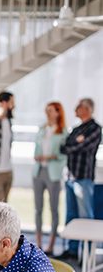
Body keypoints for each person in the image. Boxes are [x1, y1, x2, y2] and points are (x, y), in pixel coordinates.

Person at [57, 98, 102, 260]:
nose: (75, 108)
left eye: (79, 106)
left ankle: (88, 254)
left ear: (88, 109)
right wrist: (73, 144)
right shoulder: (76, 129)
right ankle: (73, 250)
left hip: (83, 177)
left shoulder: (95, 128)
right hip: (70, 177)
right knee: (71, 215)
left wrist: (73, 145)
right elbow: (64, 147)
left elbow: (81, 147)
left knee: (85, 217)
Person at [33, 102, 68, 255]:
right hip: (39, 171)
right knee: (38, 209)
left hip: (53, 173)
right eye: (46, 110)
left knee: (54, 209)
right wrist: (39, 157)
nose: (48, 113)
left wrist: (51, 156)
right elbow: (36, 149)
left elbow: (64, 155)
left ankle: (51, 244)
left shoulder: (63, 132)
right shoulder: (42, 129)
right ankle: (38, 243)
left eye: (51, 111)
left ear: (58, 113)